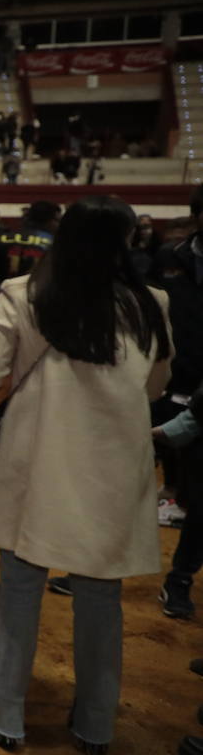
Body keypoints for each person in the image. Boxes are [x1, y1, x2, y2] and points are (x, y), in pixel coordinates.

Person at [0, 196, 171, 755]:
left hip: (38, 462)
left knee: (20, 589)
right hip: (114, 468)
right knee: (101, 599)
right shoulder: (152, 303)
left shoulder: (23, 295)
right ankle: (96, 723)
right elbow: (154, 389)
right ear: (126, 241)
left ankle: (4, 710)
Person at [158, 185, 203, 620]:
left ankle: (180, 579)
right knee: (134, 470)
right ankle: (84, 569)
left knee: (201, 500)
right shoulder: (169, 259)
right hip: (169, 377)